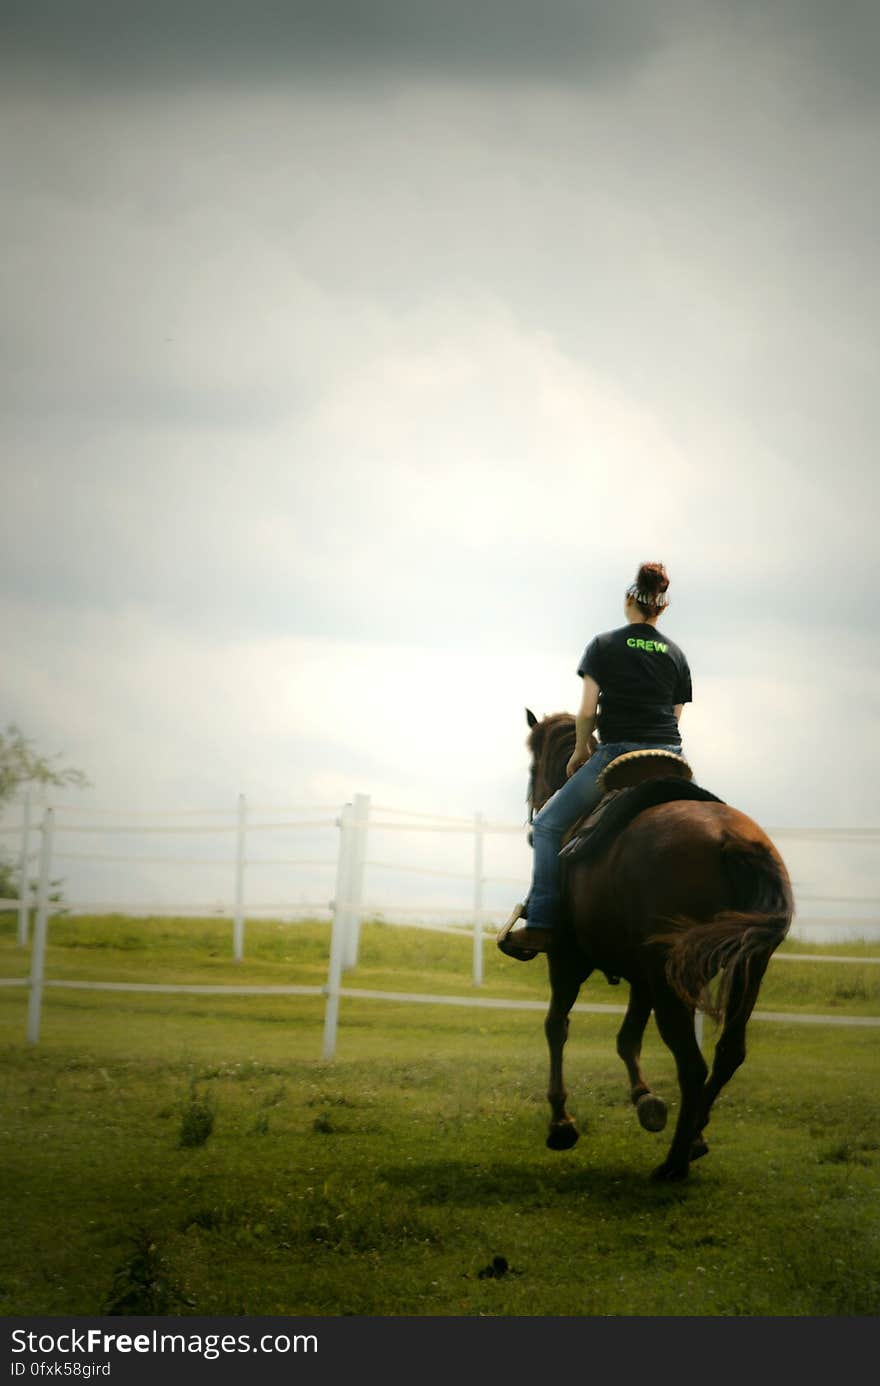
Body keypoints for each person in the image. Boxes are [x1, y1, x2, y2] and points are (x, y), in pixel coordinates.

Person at [498, 560, 692, 959]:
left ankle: (540, 925)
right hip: (672, 758)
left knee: (547, 827)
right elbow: (674, 718)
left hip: (618, 755)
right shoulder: (677, 655)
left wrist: (581, 750)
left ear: (629, 600)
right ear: (663, 606)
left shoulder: (604, 646)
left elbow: (586, 711)